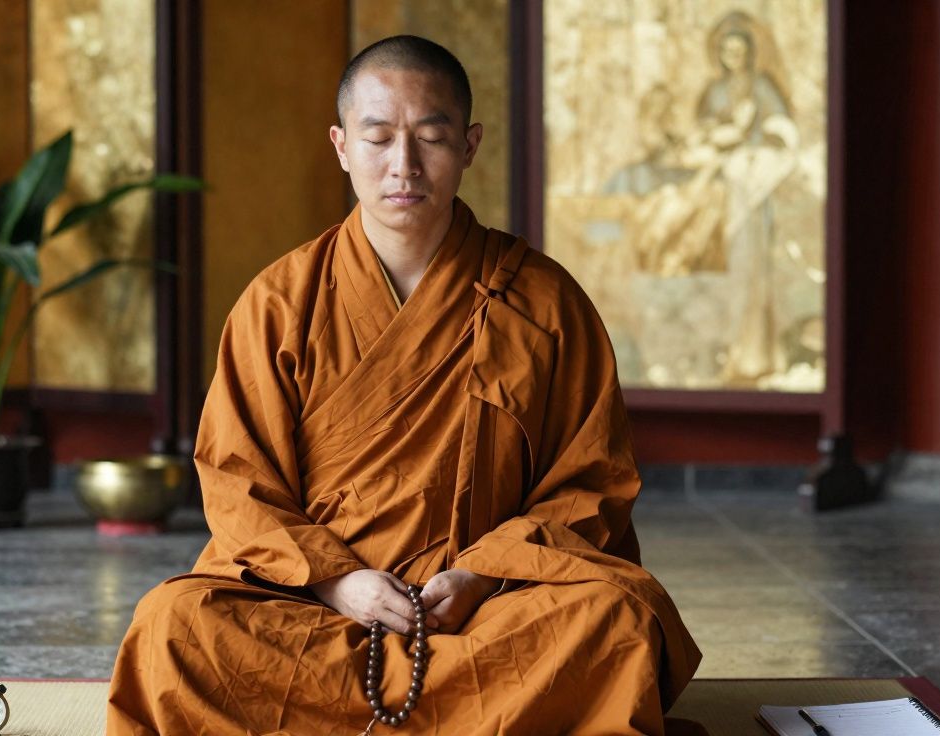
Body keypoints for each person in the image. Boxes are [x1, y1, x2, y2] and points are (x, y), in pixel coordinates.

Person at [107, 34, 701, 736]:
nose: (404, 166)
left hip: (486, 612)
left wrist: (482, 574)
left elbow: (590, 483)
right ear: (340, 145)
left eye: (431, 137)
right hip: (316, 610)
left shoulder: (543, 302)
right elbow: (239, 485)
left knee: (617, 621)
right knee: (171, 627)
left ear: (471, 145)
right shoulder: (281, 302)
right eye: (379, 137)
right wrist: (338, 581)